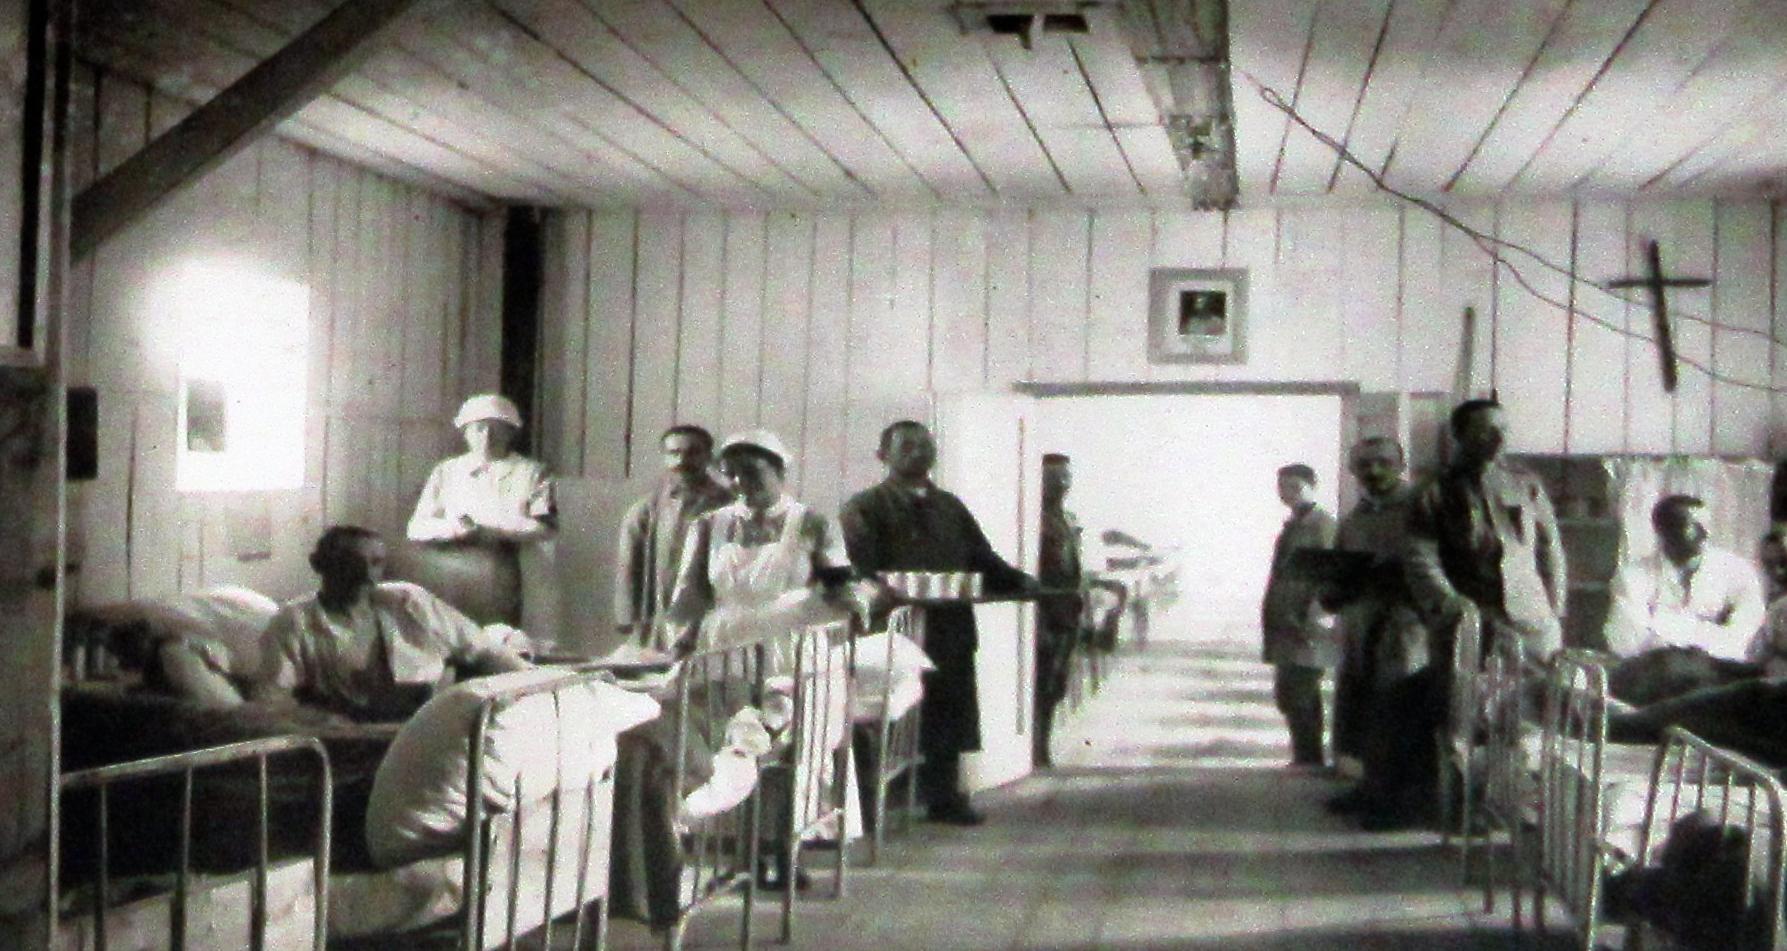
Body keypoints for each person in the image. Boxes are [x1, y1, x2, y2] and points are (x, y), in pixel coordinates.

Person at [839, 420, 1034, 825]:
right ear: (883, 455)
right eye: (907, 446)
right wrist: (884, 595)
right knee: (884, 715)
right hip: (893, 627)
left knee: (949, 708)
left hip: (950, 624)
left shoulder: (950, 507)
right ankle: (870, 808)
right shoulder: (864, 507)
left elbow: (982, 558)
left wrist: (1019, 581)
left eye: (925, 445)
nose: (919, 452)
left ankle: (944, 797)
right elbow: (861, 569)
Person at [255, 525, 531, 722]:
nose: (366, 574)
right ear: (318, 564)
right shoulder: (295, 622)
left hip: (431, 730)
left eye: (376, 563)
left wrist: (532, 688)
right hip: (352, 743)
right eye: (351, 563)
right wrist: (323, 721)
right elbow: (271, 703)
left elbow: (483, 649)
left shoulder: (409, 602)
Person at [664, 429, 866, 657]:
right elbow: (689, 598)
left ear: (780, 471)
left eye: (751, 472)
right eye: (730, 474)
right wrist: (681, 644)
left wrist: (856, 609)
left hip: (791, 646)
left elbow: (841, 585)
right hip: (725, 646)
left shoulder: (811, 523)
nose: (739, 482)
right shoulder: (708, 526)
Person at [1320, 437, 1433, 829]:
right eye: (1364, 464)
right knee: (1364, 709)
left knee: (1398, 710)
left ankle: (1400, 804)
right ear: (1353, 471)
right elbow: (1340, 570)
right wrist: (1330, 591)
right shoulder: (1355, 518)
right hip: (1361, 624)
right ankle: (1370, 788)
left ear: (1401, 465)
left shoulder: (1422, 510)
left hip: (1408, 625)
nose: (1374, 470)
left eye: (1383, 462)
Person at [1406, 398, 1567, 666]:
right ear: (1460, 436)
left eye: (1504, 430)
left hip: (1532, 619)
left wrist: (1555, 609)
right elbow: (1420, 557)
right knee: (1470, 688)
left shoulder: (1525, 484)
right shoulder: (1434, 490)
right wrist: (1450, 603)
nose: (1499, 439)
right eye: (1486, 431)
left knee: (1540, 687)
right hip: (1470, 621)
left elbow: (1550, 547)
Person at [404, 394, 556, 628]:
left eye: (496, 429)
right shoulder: (447, 471)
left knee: (506, 635)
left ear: (511, 432)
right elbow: (416, 527)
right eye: (478, 428)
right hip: (455, 572)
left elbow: (545, 527)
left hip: (513, 570)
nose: (486, 436)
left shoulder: (532, 472)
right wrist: (454, 528)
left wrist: (491, 530)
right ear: (465, 432)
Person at [1602, 495, 1765, 662]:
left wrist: (1662, 625)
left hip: (1721, 670)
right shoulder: (1633, 577)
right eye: (1694, 525)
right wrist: (1711, 628)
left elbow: (1741, 636)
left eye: (1707, 525)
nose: (1705, 533)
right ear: (1664, 530)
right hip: (1657, 671)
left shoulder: (1736, 570)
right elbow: (1627, 642)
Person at [614, 424, 733, 652]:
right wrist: (627, 617)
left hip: (713, 619)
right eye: (674, 453)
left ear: (709, 457)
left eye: (692, 453)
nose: (682, 461)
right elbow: (628, 567)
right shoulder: (646, 511)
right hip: (660, 618)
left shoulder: (729, 505)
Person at [1261, 463, 1339, 769]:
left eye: (1295, 486)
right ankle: (1304, 756)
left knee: (1301, 692)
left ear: (1312, 487)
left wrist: (1315, 616)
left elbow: (1329, 576)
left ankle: (1309, 759)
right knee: (1289, 692)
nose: (1288, 493)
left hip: (1306, 625)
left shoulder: (1321, 526)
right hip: (1288, 623)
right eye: (1283, 487)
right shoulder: (1295, 524)